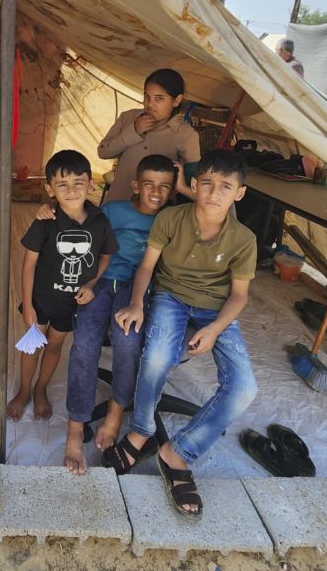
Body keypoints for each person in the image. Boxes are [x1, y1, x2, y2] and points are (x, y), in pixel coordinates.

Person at [107, 148, 258, 520]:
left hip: (217, 308)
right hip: (171, 297)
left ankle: (179, 453)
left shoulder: (243, 239)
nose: (214, 192)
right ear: (192, 184)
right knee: (157, 356)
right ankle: (140, 431)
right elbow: (146, 267)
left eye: (226, 186)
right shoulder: (172, 219)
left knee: (244, 388)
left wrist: (214, 329)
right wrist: (138, 302)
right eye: (206, 183)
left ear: (239, 193)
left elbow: (240, 295)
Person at [61, 154, 176, 474]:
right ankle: (75, 426)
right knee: (84, 342)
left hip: (139, 290)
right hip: (101, 280)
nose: (156, 192)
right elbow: (80, 225)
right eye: (149, 184)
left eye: (165, 186)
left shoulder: (173, 219)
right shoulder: (113, 210)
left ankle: (114, 413)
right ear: (135, 185)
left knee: (128, 340)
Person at [8, 150, 118, 423]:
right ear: (50, 189)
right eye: (62, 184)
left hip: (70, 305)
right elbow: (28, 265)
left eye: (78, 183)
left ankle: (40, 388)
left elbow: (106, 255)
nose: (71, 191)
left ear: (90, 184)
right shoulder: (45, 221)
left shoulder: (99, 221)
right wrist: (28, 305)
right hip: (42, 300)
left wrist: (92, 283)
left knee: (55, 347)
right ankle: (24, 391)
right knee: (32, 346)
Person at [97, 68, 200, 203]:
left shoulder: (186, 134)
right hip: (118, 202)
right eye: (147, 96)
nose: (150, 104)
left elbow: (193, 181)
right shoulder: (128, 118)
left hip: (157, 213)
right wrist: (134, 131)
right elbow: (103, 152)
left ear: (177, 100)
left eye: (159, 98)